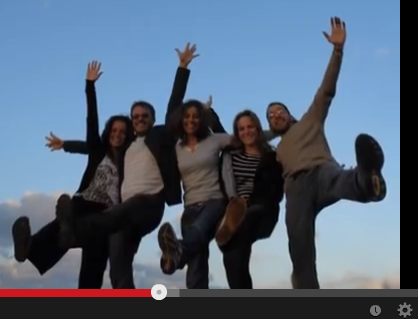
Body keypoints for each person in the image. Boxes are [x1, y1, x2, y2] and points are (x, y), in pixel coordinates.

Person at [54, 43, 200, 288]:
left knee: (113, 215)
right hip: (123, 214)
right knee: (118, 267)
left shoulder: (160, 136)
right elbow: (92, 147)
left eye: (145, 116)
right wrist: (65, 144)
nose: (140, 119)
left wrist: (182, 68)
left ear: (152, 120)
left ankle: (74, 233)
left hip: (148, 204)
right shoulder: (126, 147)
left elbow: (174, 107)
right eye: (136, 117)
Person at [267, 17, 387, 289]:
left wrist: (337, 51)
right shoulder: (274, 149)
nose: (276, 116)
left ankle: (366, 181)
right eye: (271, 116)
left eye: (280, 111)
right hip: (295, 190)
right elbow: (241, 138)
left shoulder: (310, 119)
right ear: (270, 125)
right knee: (299, 246)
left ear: (290, 115)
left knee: (338, 179)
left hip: (321, 171)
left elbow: (326, 90)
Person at [10, 61, 134, 289]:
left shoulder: (131, 157)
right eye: (114, 130)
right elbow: (91, 121)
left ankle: (39, 247)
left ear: (128, 136)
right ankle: (29, 247)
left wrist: (66, 144)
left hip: (109, 214)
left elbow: (81, 146)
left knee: (94, 264)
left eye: (122, 132)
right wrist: (90, 86)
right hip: (85, 202)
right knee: (67, 217)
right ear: (109, 132)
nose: (117, 134)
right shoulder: (98, 149)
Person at [156, 95, 233, 289]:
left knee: (199, 230)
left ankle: (177, 253)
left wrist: (273, 133)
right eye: (187, 116)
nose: (191, 120)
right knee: (196, 268)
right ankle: (179, 254)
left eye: (196, 116)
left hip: (214, 201)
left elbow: (244, 138)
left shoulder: (215, 140)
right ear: (181, 120)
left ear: (202, 119)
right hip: (189, 206)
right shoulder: (177, 148)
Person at [207, 110, 284, 289]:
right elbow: (223, 181)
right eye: (241, 129)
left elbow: (277, 191)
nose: (246, 132)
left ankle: (233, 221)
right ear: (237, 133)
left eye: (250, 127)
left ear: (258, 129)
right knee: (233, 256)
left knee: (238, 230)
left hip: (261, 209)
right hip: (233, 206)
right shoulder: (230, 156)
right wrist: (208, 113)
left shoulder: (271, 158)